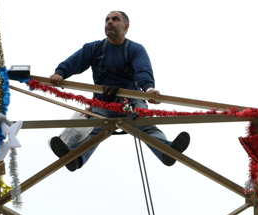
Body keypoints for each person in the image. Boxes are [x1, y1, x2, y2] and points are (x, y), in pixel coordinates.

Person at [49, 11, 190, 171]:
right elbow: (75, 61)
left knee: (146, 126)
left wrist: (149, 89)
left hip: (131, 102)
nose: (110, 22)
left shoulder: (134, 50)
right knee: (95, 129)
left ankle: (167, 152)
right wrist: (59, 73)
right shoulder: (94, 48)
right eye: (107, 20)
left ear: (126, 26)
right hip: (103, 103)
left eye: (115, 19)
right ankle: (75, 157)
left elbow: (143, 71)